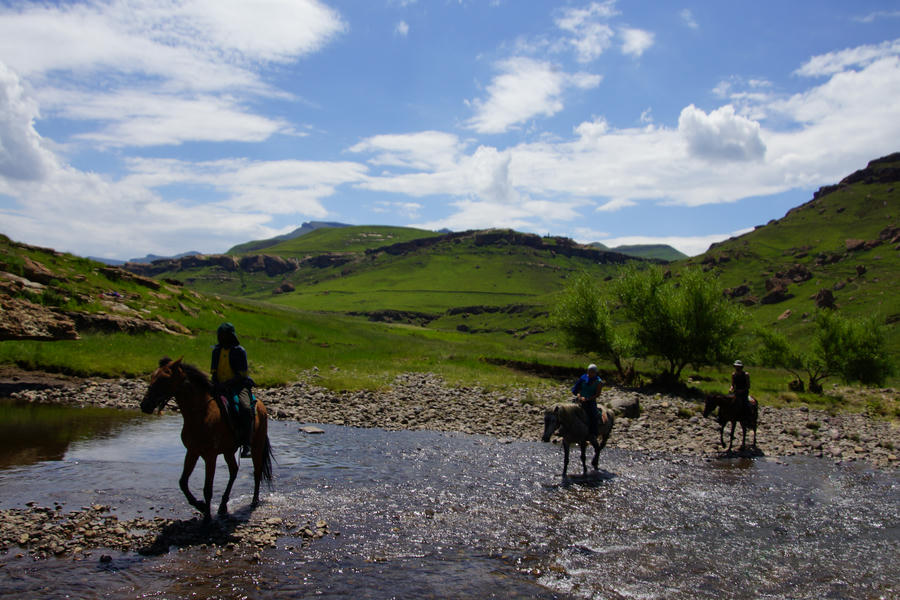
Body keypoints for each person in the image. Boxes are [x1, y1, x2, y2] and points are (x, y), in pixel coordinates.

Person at [211, 322, 255, 458]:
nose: (221, 338)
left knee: (245, 407)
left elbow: (241, 374)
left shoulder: (239, 351)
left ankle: (247, 445)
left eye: (224, 335)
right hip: (219, 385)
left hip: (238, 386)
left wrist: (228, 383)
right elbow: (213, 372)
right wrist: (215, 384)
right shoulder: (216, 351)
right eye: (220, 335)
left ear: (230, 336)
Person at [572, 363, 604, 437]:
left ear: (595, 372)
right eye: (589, 371)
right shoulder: (583, 378)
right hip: (580, 398)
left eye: (592, 372)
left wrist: (587, 399)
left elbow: (597, 394)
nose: (590, 373)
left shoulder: (599, 382)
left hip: (590, 400)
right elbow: (577, 389)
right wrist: (579, 396)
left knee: (593, 414)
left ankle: (593, 433)